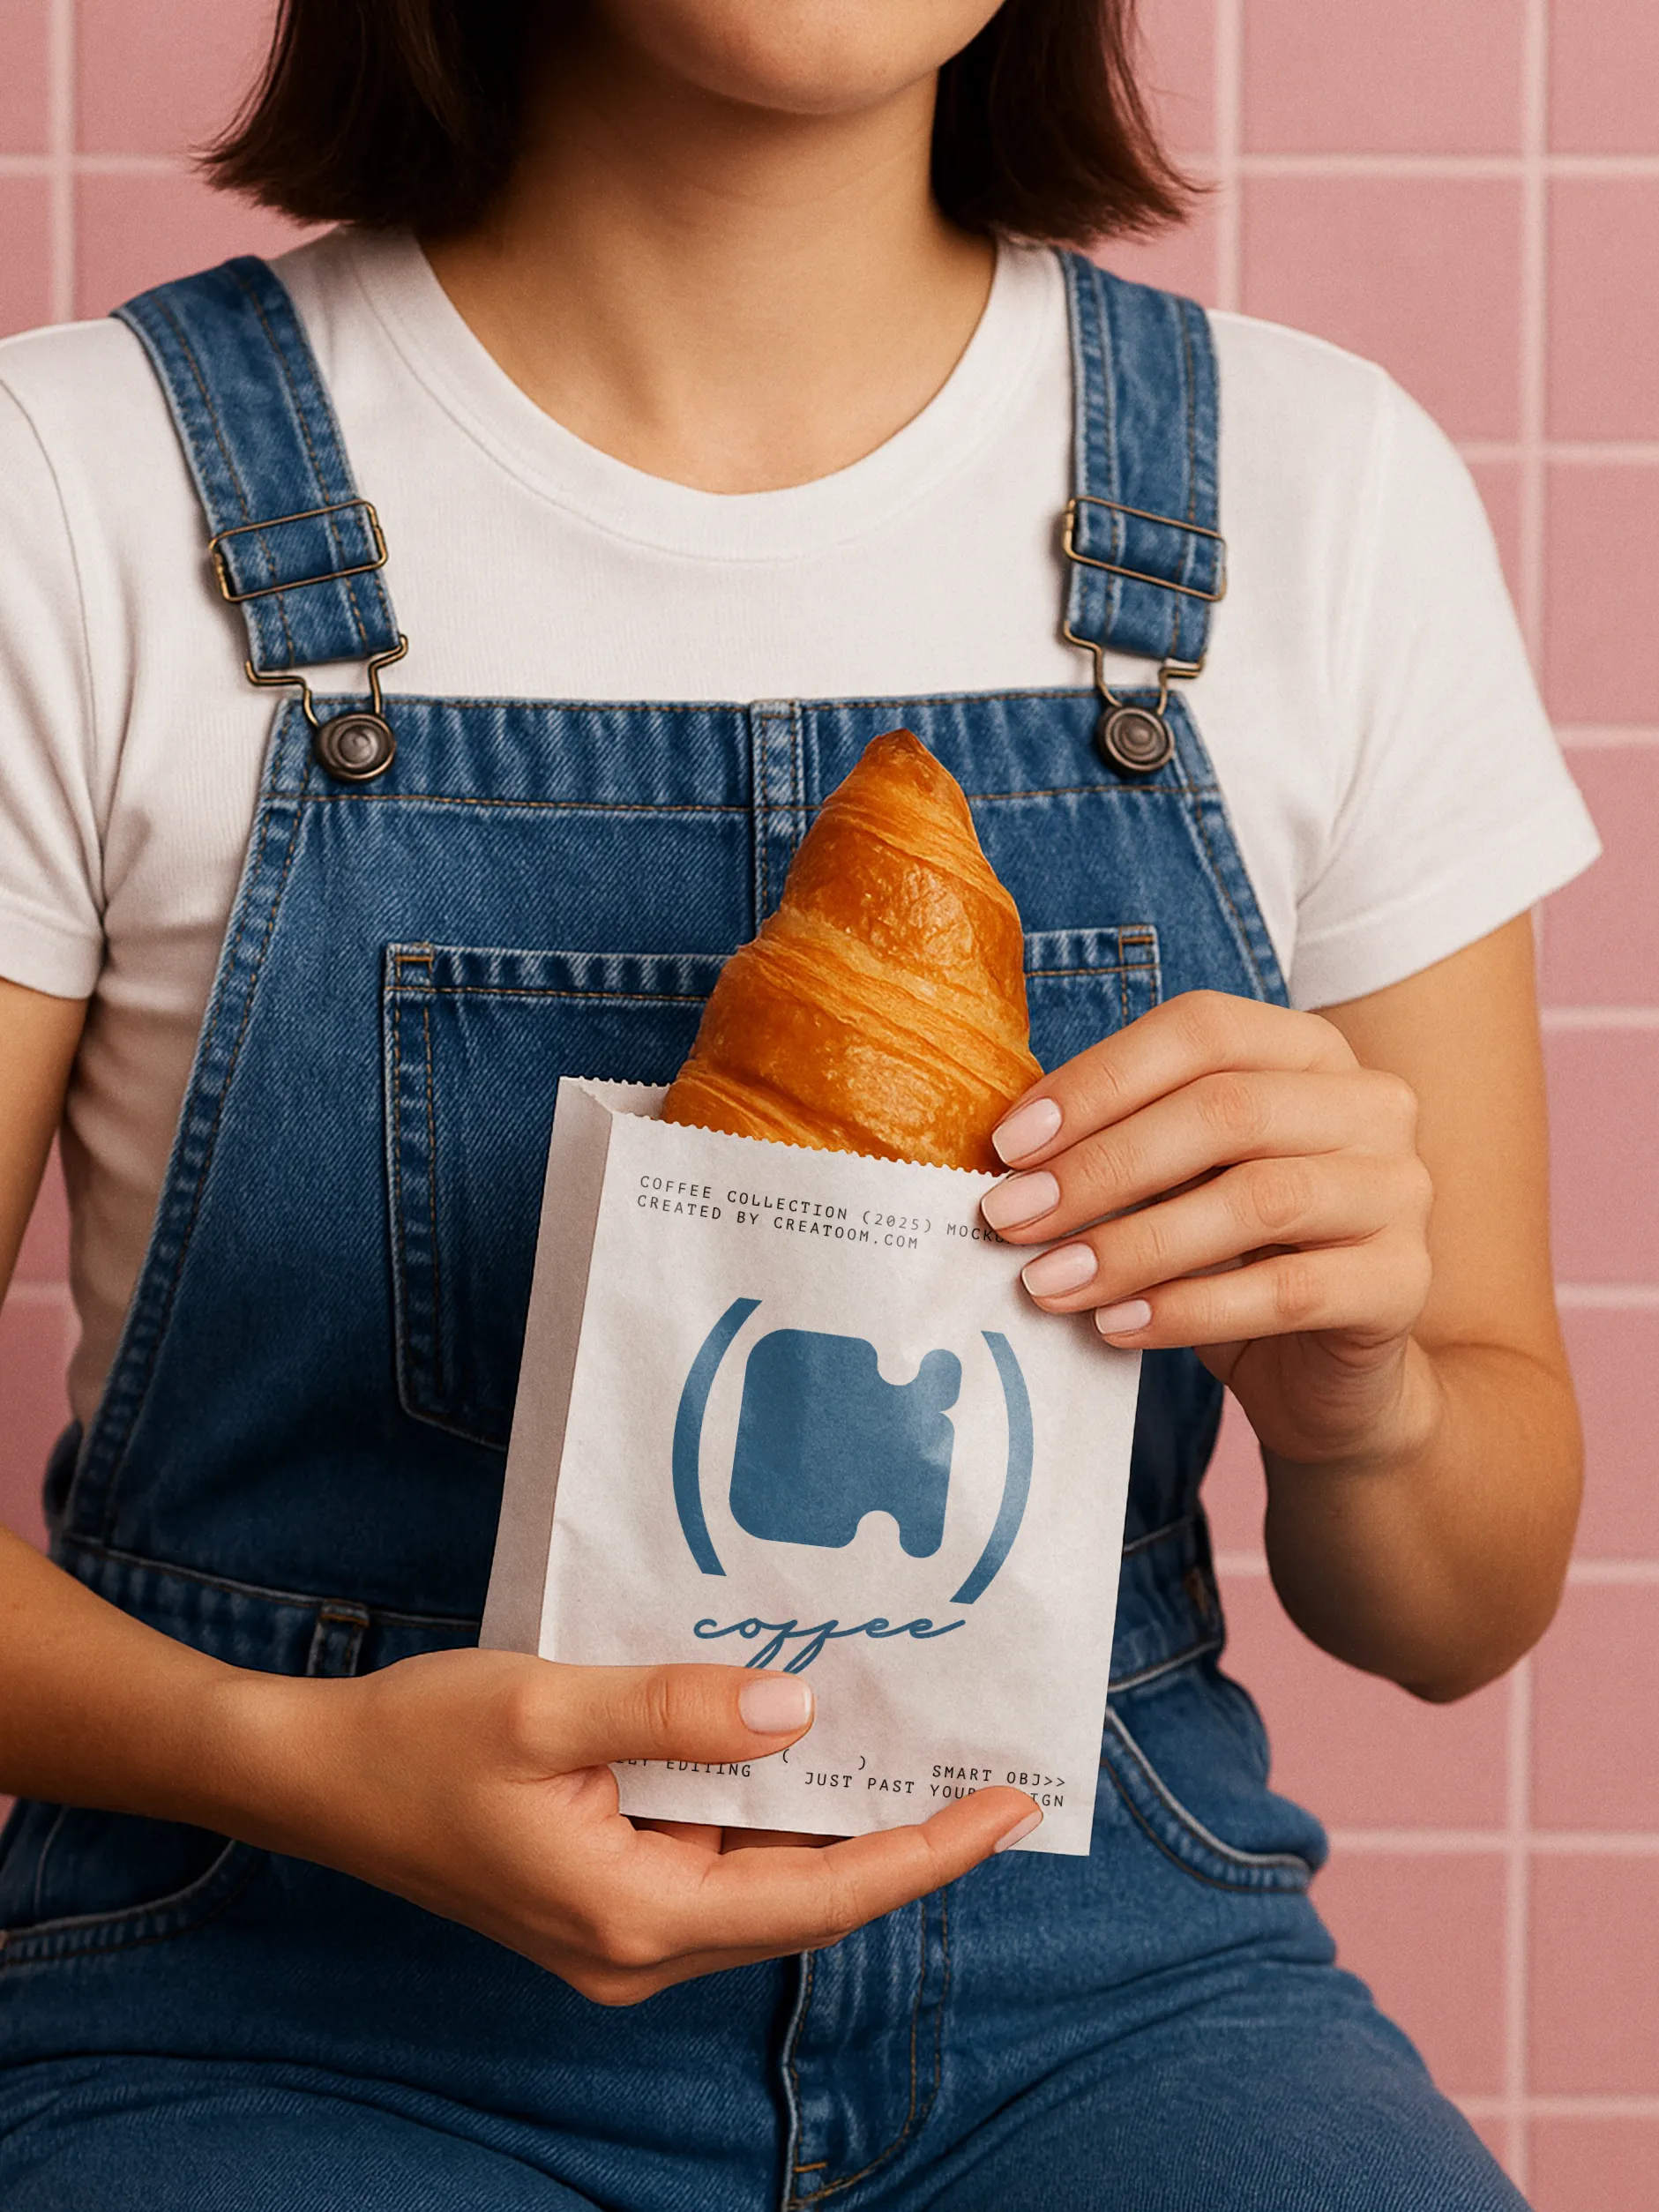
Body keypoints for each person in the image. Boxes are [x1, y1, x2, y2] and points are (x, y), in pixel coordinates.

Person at [0, 2, 1595, 2206]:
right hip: (281, 1996)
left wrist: (1364, 1401)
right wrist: (296, 1762)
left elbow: (1459, 1606)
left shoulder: (1316, 494)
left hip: (1107, 2004)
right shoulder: (79, 491)